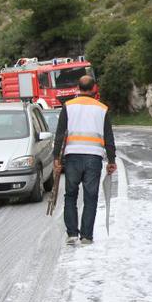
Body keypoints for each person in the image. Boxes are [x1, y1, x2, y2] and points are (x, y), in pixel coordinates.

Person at [53, 75, 117, 245]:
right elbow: (109, 138)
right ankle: (87, 236)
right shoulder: (102, 108)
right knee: (91, 197)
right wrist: (111, 160)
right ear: (94, 88)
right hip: (93, 157)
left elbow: (59, 135)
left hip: (72, 157)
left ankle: (72, 234)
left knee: (70, 195)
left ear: (78, 87)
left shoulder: (68, 106)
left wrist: (55, 158)